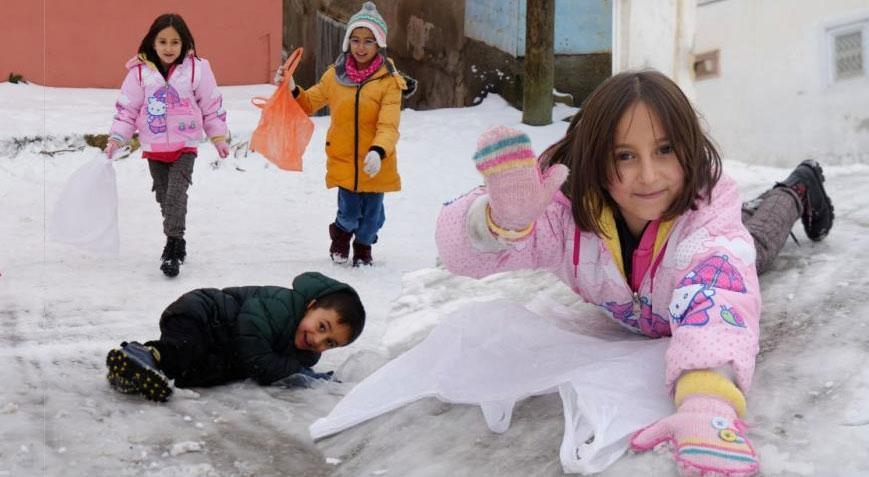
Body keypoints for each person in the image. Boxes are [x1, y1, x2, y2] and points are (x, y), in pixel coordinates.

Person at [434, 70, 833, 476]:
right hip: (659, 283)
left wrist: (707, 401)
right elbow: (461, 256)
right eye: (624, 155)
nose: (647, 175)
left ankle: (795, 190)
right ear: (595, 157)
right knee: (747, 229)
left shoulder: (707, 212)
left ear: (689, 150)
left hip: (706, 242)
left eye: (665, 150)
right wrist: (497, 223)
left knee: (758, 244)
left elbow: (716, 290)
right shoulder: (559, 213)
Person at [277, 1, 415, 266]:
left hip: (376, 163)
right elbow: (308, 103)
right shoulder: (335, 76)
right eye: (355, 40)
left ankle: (363, 248)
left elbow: (389, 125)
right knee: (350, 214)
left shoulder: (389, 82)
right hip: (344, 160)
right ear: (347, 42)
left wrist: (378, 150)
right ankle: (340, 235)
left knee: (372, 220)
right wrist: (293, 87)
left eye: (368, 41)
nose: (361, 47)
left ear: (379, 46)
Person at [105, 271, 365, 402]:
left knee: (192, 373)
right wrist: (296, 371)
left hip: (220, 346)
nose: (318, 341)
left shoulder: (305, 354)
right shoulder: (281, 307)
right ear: (311, 305)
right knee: (185, 348)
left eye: (330, 342)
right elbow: (255, 356)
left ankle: (134, 373)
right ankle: (144, 354)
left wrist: (303, 374)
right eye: (322, 327)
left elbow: (268, 366)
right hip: (203, 315)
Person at [104, 13, 230, 277]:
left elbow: (211, 105)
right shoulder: (139, 73)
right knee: (164, 198)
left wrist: (218, 136)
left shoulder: (197, 69)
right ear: (152, 42)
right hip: (154, 147)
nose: (169, 48)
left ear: (185, 43)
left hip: (185, 145)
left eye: (175, 42)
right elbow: (128, 109)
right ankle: (177, 238)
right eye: (163, 42)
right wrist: (117, 137)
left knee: (175, 195)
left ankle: (173, 248)